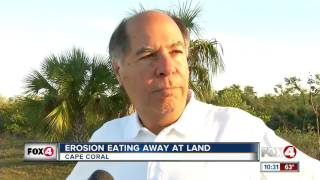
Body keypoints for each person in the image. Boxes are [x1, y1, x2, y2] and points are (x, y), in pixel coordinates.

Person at [68, 10, 320, 180]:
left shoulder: (240, 132)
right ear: (119, 70)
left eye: (177, 52)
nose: (167, 68)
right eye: (148, 56)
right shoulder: (106, 138)